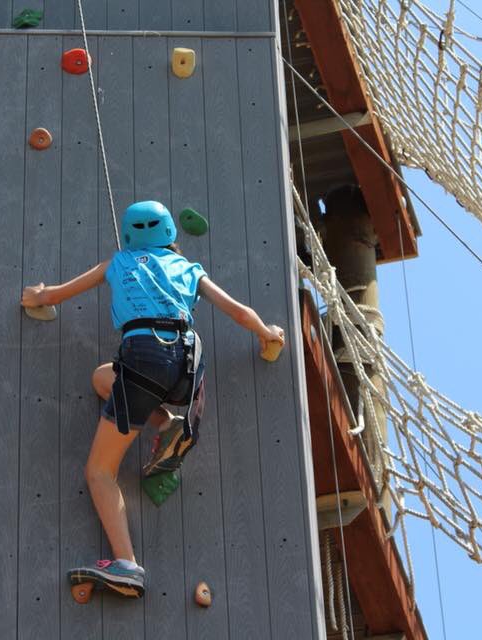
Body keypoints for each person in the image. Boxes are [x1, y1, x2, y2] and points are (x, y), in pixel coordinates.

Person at [20, 200, 285, 596]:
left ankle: (126, 564)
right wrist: (268, 333)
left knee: (99, 472)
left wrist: (35, 296)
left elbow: (59, 294)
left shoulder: (118, 261)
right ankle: (167, 422)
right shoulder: (188, 269)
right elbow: (237, 311)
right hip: (186, 368)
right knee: (102, 378)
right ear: (170, 236)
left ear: (129, 235)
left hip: (144, 358)